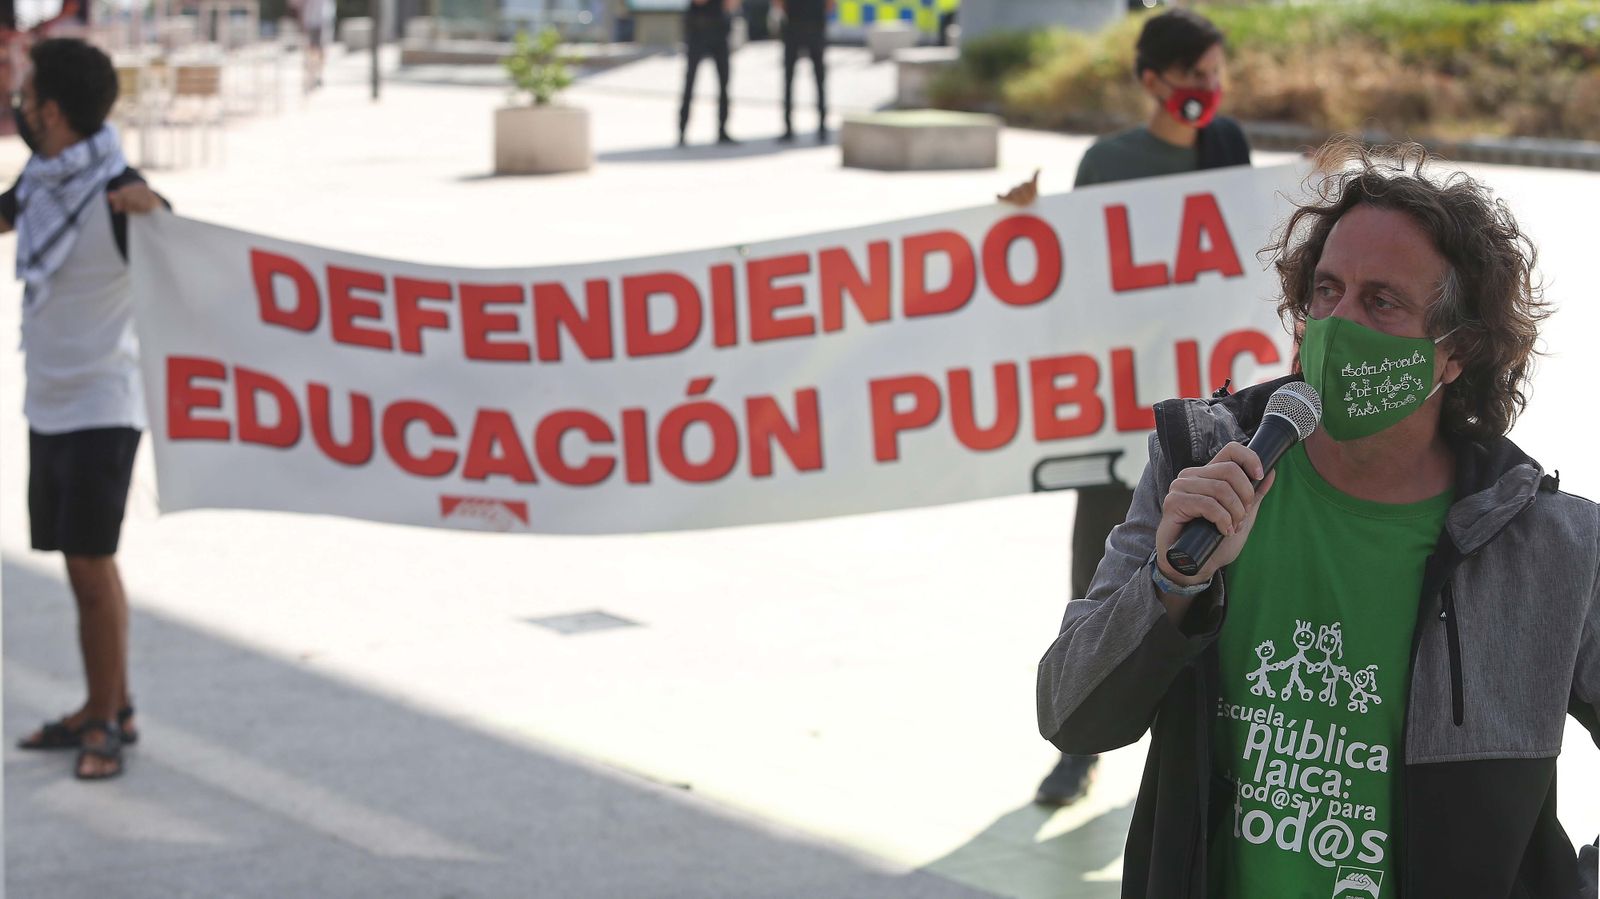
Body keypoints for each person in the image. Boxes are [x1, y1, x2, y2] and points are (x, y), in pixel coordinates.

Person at [1036, 139, 1600, 898]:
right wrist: (1172, 582)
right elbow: (1071, 711)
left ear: (1456, 350)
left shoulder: (1549, 547)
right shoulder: (1198, 468)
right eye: (1326, 290)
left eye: (1381, 301)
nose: (1336, 323)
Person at [1000, 7, 1251, 808]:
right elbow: (1074, 273)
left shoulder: (1229, 148)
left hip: (1207, 415)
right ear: (1153, 81)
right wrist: (1024, 227)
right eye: (1193, 78)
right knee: (1105, 571)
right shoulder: (1109, 162)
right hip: (1118, 409)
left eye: (1217, 76)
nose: (1208, 92)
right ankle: (1080, 743)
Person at [4, 38, 168, 781]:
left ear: (52, 111)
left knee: (91, 567)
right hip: (51, 400)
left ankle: (104, 719)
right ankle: (113, 701)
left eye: (25, 91)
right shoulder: (43, 180)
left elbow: (188, 259)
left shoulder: (119, 191)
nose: (17, 101)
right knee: (84, 568)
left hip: (103, 404)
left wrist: (160, 209)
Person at [678, 0, 740, 147]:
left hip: (719, 30)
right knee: (690, 83)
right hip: (698, 30)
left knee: (724, 82)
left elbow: (731, 4)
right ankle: (682, 130)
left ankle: (722, 130)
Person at [775, 0, 831, 143]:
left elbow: (830, 4)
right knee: (789, 79)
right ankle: (788, 127)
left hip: (813, 26)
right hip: (795, 26)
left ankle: (822, 126)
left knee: (819, 79)